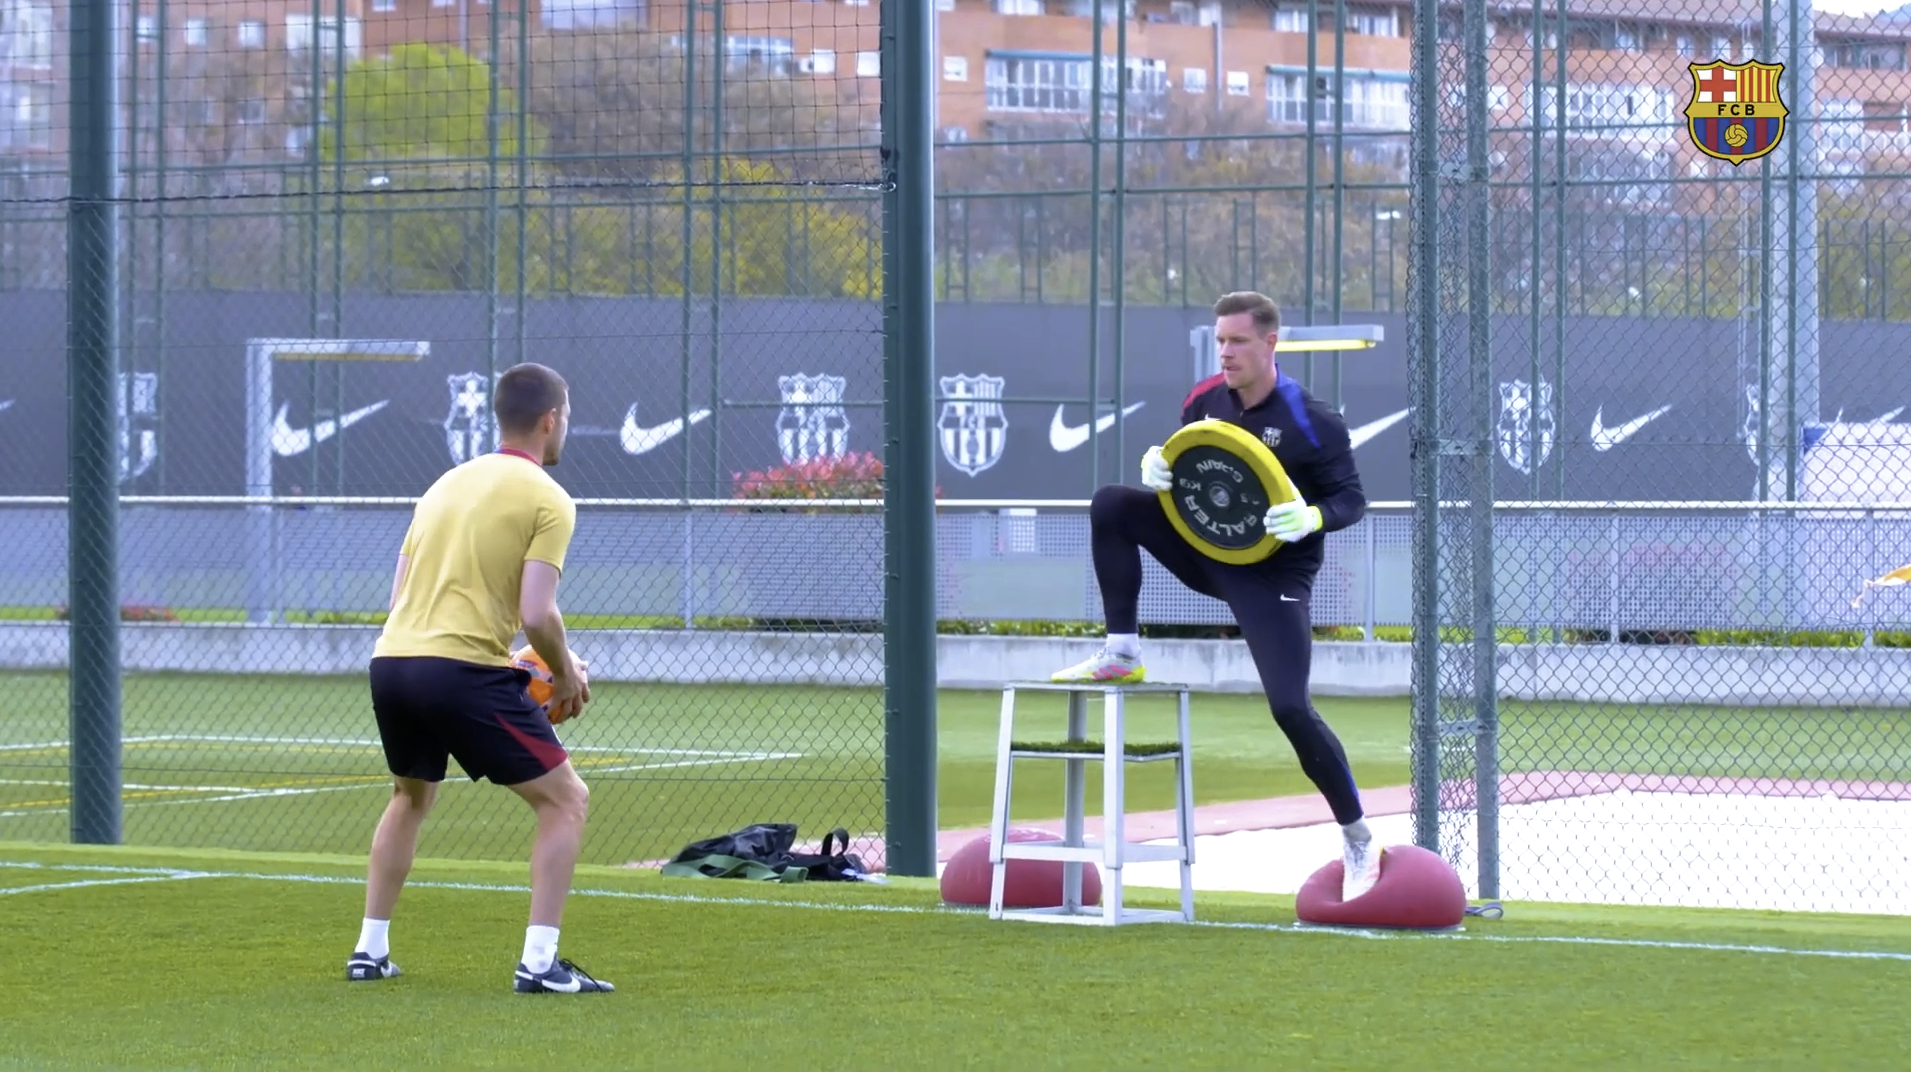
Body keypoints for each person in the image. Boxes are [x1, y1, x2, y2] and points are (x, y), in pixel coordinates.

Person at [1049, 291, 1382, 902]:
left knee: (1291, 708)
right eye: (1220, 340)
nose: (1225, 352)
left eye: (1238, 341)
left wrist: (1312, 517)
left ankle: (1358, 835)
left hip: (1272, 579)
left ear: (1270, 343)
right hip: (1204, 550)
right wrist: (1160, 468)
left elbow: (1351, 500)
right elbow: (1190, 465)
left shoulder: (1313, 419)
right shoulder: (1203, 399)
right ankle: (1122, 651)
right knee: (1113, 503)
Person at [344, 361, 613, 994]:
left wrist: (517, 659)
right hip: (458, 672)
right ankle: (540, 964)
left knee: (410, 797)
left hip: (393, 663)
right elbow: (537, 613)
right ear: (551, 420)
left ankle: (369, 951)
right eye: (566, 417)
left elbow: (401, 598)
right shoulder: (549, 497)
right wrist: (564, 674)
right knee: (565, 801)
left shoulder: (443, 485)